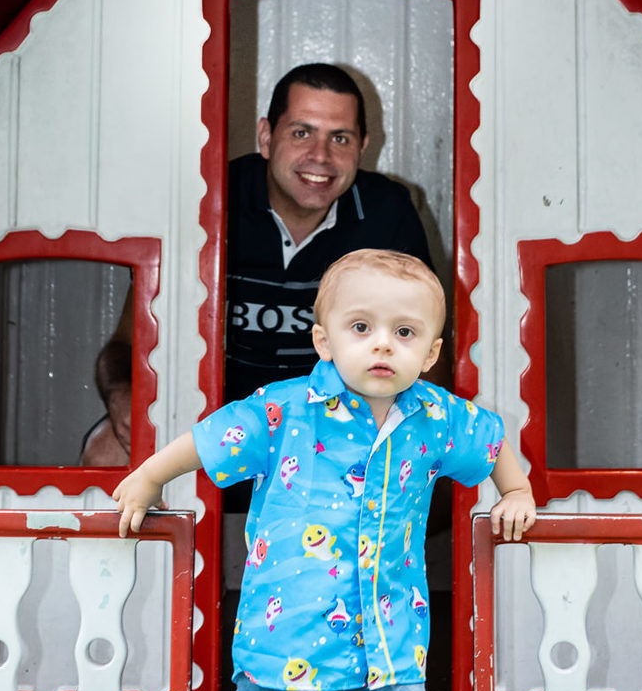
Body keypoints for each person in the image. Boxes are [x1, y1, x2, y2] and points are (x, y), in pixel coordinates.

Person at [112, 248, 536, 691]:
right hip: (285, 647)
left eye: (405, 334)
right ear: (325, 339)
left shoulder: (437, 417)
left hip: (389, 641)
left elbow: (490, 444)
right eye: (362, 326)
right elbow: (211, 440)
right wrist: (149, 478)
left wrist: (516, 493)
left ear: (430, 353)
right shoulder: (284, 409)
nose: (381, 345)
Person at [81, 63, 432, 464]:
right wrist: (122, 394)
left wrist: (399, 432)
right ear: (266, 137)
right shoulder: (208, 199)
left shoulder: (388, 213)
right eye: (301, 133)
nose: (321, 156)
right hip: (209, 416)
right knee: (107, 453)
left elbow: (423, 350)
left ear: (362, 146)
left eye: (340, 138)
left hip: (336, 424)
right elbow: (125, 344)